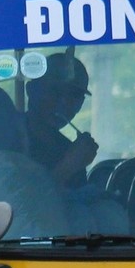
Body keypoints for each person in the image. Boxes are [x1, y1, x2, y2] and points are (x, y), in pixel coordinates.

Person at [23, 52, 100, 190]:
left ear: (81, 102)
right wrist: (67, 167)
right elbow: (21, 203)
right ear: (31, 90)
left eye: (74, 95)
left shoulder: (70, 150)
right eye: (54, 90)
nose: (64, 102)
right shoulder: (6, 137)